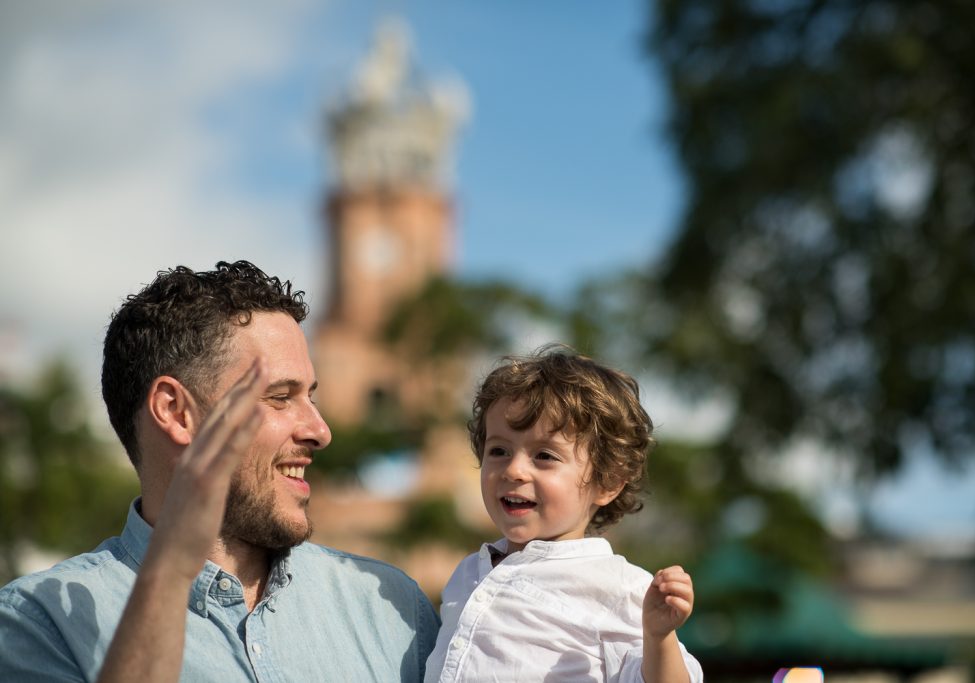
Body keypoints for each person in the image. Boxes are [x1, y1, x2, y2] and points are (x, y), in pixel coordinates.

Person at [0, 261, 439, 682]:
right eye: (281, 397)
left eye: (312, 397)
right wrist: (172, 569)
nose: (320, 431)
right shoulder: (38, 623)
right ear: (175, 412)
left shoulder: (394, 608)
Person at [425, 347, 704, 683]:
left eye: (544, 456)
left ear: (608, 482)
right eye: (499, 450)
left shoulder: (621, 588)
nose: (514, 469)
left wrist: (658, 636)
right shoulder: (467, 574)